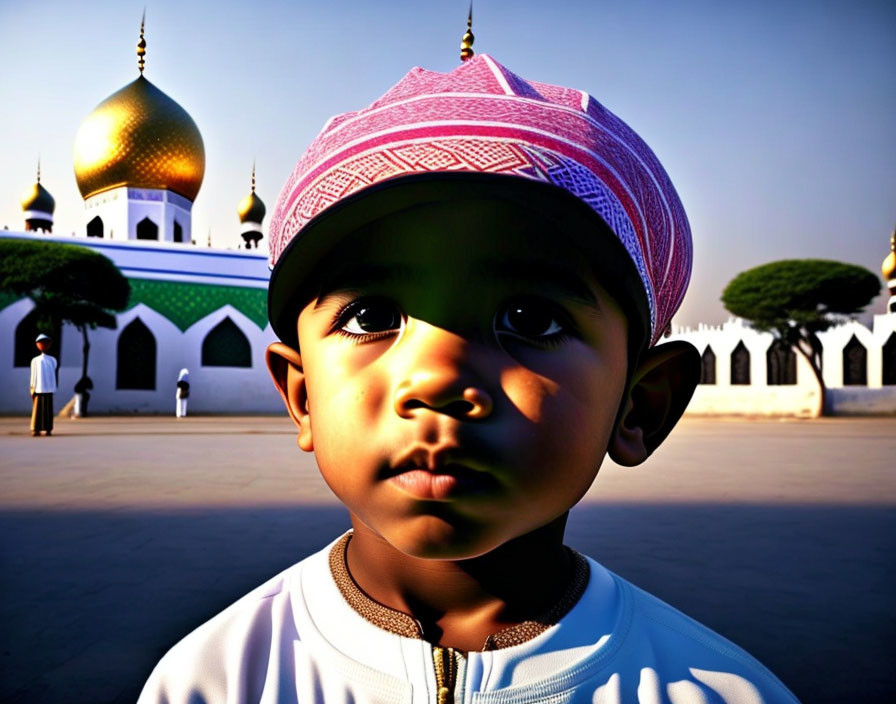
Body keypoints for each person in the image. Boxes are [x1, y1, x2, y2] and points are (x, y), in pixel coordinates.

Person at [138, 55, 799, 702]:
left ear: (640, 406)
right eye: (370, 316)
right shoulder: (215, 681)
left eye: (531, 319)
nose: (435, 378)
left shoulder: (716, 690)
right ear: (302, 395)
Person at [29, 333, 57, 437]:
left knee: (47, 411)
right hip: (39, 388)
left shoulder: (52, 359)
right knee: (38, 410)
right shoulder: (35, 360)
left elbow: (54, 373)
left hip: (48, 389)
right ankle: (36, 428)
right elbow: (33, 376)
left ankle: (47, 428)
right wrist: (32, 388)